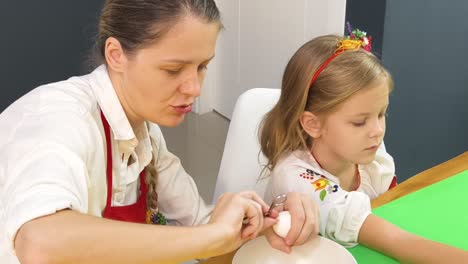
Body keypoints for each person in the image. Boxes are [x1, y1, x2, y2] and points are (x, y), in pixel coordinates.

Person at [0, 1, 319, 263]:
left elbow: (205, 238)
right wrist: (210, 236)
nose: (194, 88)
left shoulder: (144, 132)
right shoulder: (58, 118)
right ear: (116, 55)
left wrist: (267, 221)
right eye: (173, 69)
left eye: (202, 66)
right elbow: (40, 244)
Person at [259, 31, 468, 263]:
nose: (377, 130)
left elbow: (390, 209)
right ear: (313, 124)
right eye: (360, 121)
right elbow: (395, 240)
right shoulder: (296, 179)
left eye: (381, 114)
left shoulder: (364, 147)